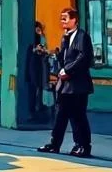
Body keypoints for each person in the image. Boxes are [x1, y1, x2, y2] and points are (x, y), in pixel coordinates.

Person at [40, 8, 94, 157]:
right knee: (60, 115)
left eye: (65, 18)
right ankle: (54, 144)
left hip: (78, 85)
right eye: (61, 18)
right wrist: (54, 56)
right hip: (64, 85)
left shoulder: (82, 36)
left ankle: (82, 146)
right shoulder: (65, 37)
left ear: (74, 20)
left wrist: (68, 70)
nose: (62, 21)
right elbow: (64, 58)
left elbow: (84, 57)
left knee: (78, 116)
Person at [29, 21, 51, 121]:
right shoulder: (33, 40)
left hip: (40, 65)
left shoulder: (41, 37)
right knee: (35, 87)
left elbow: (44, 46)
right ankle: (34, 107)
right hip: (35, 66)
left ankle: (39, 105)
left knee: (40, 86)